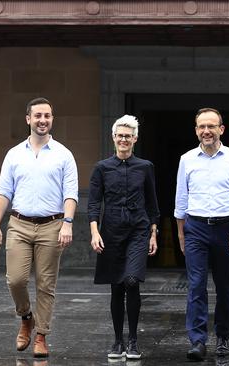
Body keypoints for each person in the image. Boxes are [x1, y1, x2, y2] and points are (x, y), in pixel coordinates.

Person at [0, 97, 78, 358]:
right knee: (15, 279)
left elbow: (70, 193)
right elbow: (3, 192)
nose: (42, 120)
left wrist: (68, 223)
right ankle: (26, 316)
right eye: (38, 115)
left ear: (52, 119)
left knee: (46, 284)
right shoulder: (14, 154)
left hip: (52, 225)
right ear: (28, 119)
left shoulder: (64, 154)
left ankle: (41, 335)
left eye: (47, 116)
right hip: (19, 224)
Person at [174, 108, 229, 361]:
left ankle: (223, 338)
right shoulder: (187, 159)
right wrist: (182, 236)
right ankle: (197, 341)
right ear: (196, 130)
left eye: (211, 126)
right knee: (196, 286)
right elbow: (181, 202)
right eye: (201, 127)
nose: (206, 131)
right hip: (195, 228)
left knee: (225, 286)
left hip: (226, 228)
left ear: (221, 129)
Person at [88, 115, 160, 360]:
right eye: (120, 135)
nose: (123, 139)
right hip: (110, 232)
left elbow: (152, 203)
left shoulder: (145, 167)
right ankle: (118, 341)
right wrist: (95, 232)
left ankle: (133, 340)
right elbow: (94, 202)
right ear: (113, 138)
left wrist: (153, 233)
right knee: (116, 287)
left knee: (131, 280)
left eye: (128, 136)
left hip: (138, 231)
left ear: (135, 139)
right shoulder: (102, 168)